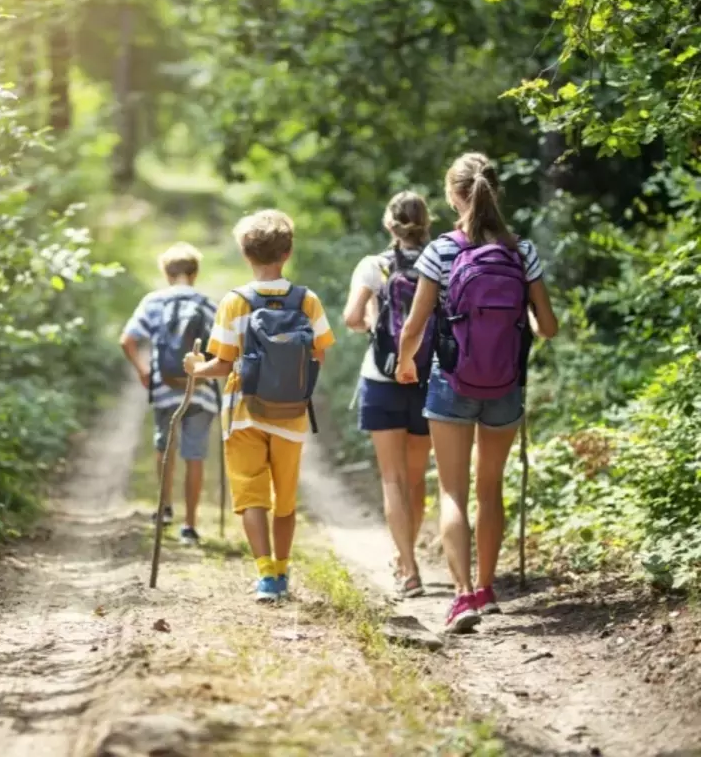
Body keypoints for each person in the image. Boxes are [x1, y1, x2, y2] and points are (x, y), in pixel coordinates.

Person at [396, 152, 558, 632]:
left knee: (452, 491)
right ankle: (487, 591)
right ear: (495, 190)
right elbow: (548, 326)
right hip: (505, 385)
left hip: (451, 381)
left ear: (452, 194)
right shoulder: (520, 250)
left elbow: (415, 324)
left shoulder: (442, 250)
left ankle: (462, 596)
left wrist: (406, 363)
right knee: (490, 489)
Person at [183, 210, 335, 603]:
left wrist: (195, 369)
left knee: (252, 495)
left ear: (245, 254)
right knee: (284, 500)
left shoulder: (235, 302)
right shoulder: (308, 300)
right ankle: (284, 571)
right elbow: (320, 355)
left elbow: (221, 364)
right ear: (287, 252)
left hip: (244, 412)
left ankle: (265, 575)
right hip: (292, 415)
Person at [342, 191, 434, 598]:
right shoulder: (441, 260)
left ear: (389, 225)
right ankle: (407, 556)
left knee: (393, 480)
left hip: (381, 380)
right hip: (429, 379)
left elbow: (350, 317)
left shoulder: (374, 266)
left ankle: (408, 568)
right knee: (416, 480)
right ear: (426, 222)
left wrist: (374, 329)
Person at [120, 242, 218, 546]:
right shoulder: (208, 303)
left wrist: (143, 371)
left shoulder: (154, 302)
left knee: (165, 445)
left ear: (166, 273)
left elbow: (127, 340)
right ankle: (189, 526)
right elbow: (225, 348)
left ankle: (163, 509)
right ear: (195, 272)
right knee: (195, 453)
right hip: (200, 389)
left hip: (164, 387)